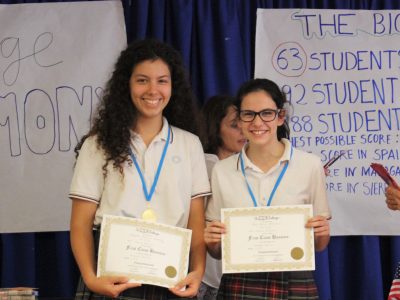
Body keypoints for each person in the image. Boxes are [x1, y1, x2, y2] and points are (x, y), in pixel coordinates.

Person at [69, 39, 210, 299]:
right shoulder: (97, 144)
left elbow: (196, 220)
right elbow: (80, 223)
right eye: (142, 80)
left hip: (171, 279)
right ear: (127, 84)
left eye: (162, 81)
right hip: (110, 276)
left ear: (173, 86)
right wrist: (91, 279)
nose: (153, 90)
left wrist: (198, 270)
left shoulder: (189, 144)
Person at [204, 78, 331, 299]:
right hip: (240, 282)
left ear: (280, 117)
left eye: (266, 113)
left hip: (294, 281)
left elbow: (319, 244)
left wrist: (322, 232)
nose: (257, 122)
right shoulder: (222, 171)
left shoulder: (310, 165)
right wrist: (212, 240)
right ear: (241, 119)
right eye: (248, 114)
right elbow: (216, 251)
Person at [197, 95, 247, 300]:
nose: (243, 131)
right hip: (207, 273)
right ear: (215, 127)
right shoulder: (205, 166)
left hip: (239, 271)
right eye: (235, 125)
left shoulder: (249, 167)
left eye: (245, 123)